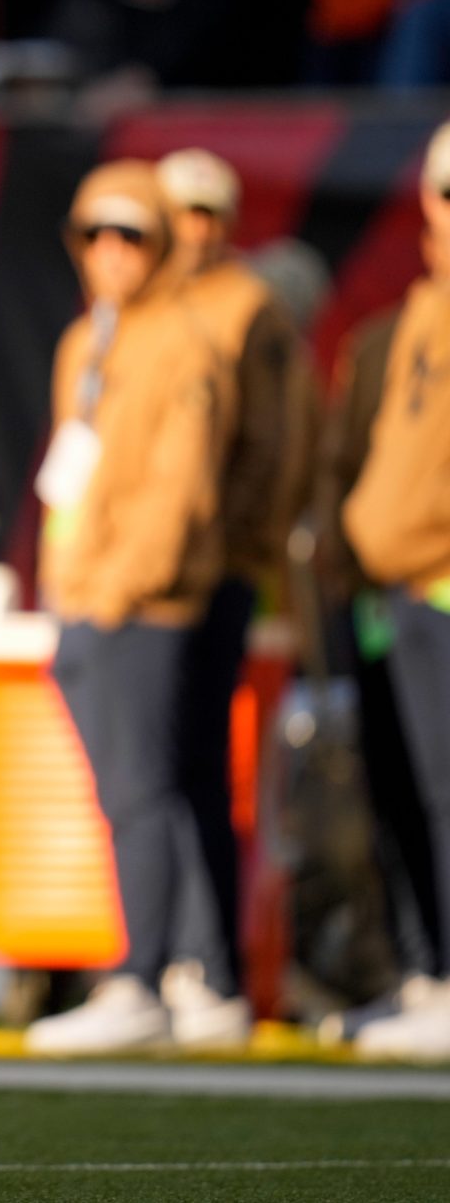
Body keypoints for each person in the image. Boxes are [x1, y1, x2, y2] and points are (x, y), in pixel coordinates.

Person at [28, 159, 237, 1055]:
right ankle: (171, 969)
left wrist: (117, 586)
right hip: (82, 598)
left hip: (142, 602)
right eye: (96, 233)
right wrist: (64, 587)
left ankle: (145, 976)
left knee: (146, 791)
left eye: (133, 234)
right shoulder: (88, 342)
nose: (111, 252)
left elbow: (179, 487)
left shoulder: (183, 342)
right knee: (129, 793)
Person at [149, 147, 312, 1049]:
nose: (196, 229)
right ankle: (165, 957)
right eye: (183, 211)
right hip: (150, 575)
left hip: (209, 577)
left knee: (207, 772)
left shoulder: (248, 307)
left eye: (211, 212)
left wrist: (230, 549)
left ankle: (212, 964)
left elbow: (276, 450)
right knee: (152, 776)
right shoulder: (143, 305)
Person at [338, 118, 450, 1060]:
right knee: (418, 793)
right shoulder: (421, 309)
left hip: (441, 577)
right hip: (408, 584)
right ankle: (433, 970)